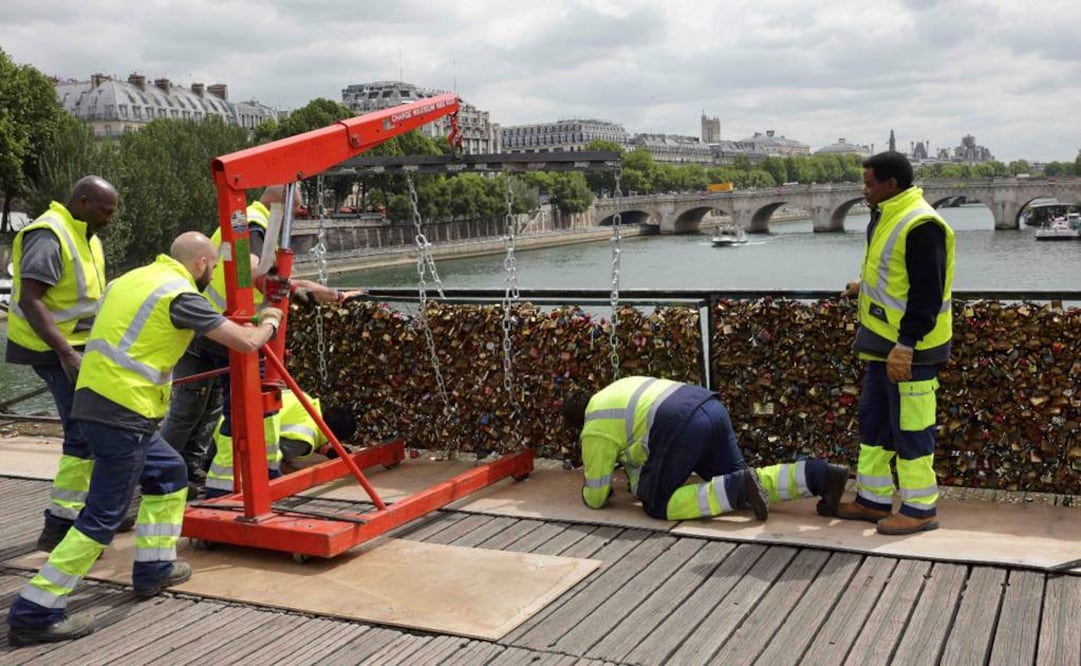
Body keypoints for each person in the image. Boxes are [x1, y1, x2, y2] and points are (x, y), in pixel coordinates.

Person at [7, 231, 284, 646]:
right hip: (124, 413)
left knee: (170, 474)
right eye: (211, 268)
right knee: (102, 517)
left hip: (97, 401)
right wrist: (271, 318)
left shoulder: (132, 280)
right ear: (204, 265)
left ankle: (154, 567)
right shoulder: (180, 295)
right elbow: (245, 343)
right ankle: (35, 609)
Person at [160, 184, 357, 488]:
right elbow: (253, 270)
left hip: (212, 328)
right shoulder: (253, 221)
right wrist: (274, 304)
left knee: (206, 409)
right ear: (281, 202)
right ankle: (230, 478)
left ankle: (188, 474)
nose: (297, 217)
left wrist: (337, 295)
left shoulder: (245, 223)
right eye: (296, 211)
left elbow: (281, 280)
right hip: (231, 329)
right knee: (251, 405)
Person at [3, 176, 132, 551]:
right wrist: (65, 351)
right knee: (82, 432)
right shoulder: (50, 235)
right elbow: (31, 300)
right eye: (105, 210)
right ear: (83, 201)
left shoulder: (85, 234)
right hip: (52, 349)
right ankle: (60, 526)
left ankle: (93, 511)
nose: (110, 218)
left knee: (94, 427)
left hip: (76, 345)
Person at [835, 151, 955, 536]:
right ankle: (873, 500)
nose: (864, 190)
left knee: (912, 430)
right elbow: (892, 276)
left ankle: (920, 509)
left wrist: (907, 344)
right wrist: (862, 286)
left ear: (891, 184)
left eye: (869, 183)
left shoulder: (921, 223)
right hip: (880, 344)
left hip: (911, 350)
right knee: (875, 426)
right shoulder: (887, 215)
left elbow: (927, 293)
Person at [562, 376, 849, 522]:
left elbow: (598, 495)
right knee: (749, 481)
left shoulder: (595, 425)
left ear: (578, 424)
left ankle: (735, 489)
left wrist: (589, 491)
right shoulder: (616, 390)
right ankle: (819, 475)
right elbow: (641, 454)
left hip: (678, 424)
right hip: (708, 406)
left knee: (659, 504)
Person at [204, 388, 356, 497]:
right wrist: (294, 479)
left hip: (221, 425)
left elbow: (287, 428)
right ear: (334, 437)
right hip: (226, 450)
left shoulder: (304, 399)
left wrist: (325, 449)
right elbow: (273, 460)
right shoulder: (304, 439)